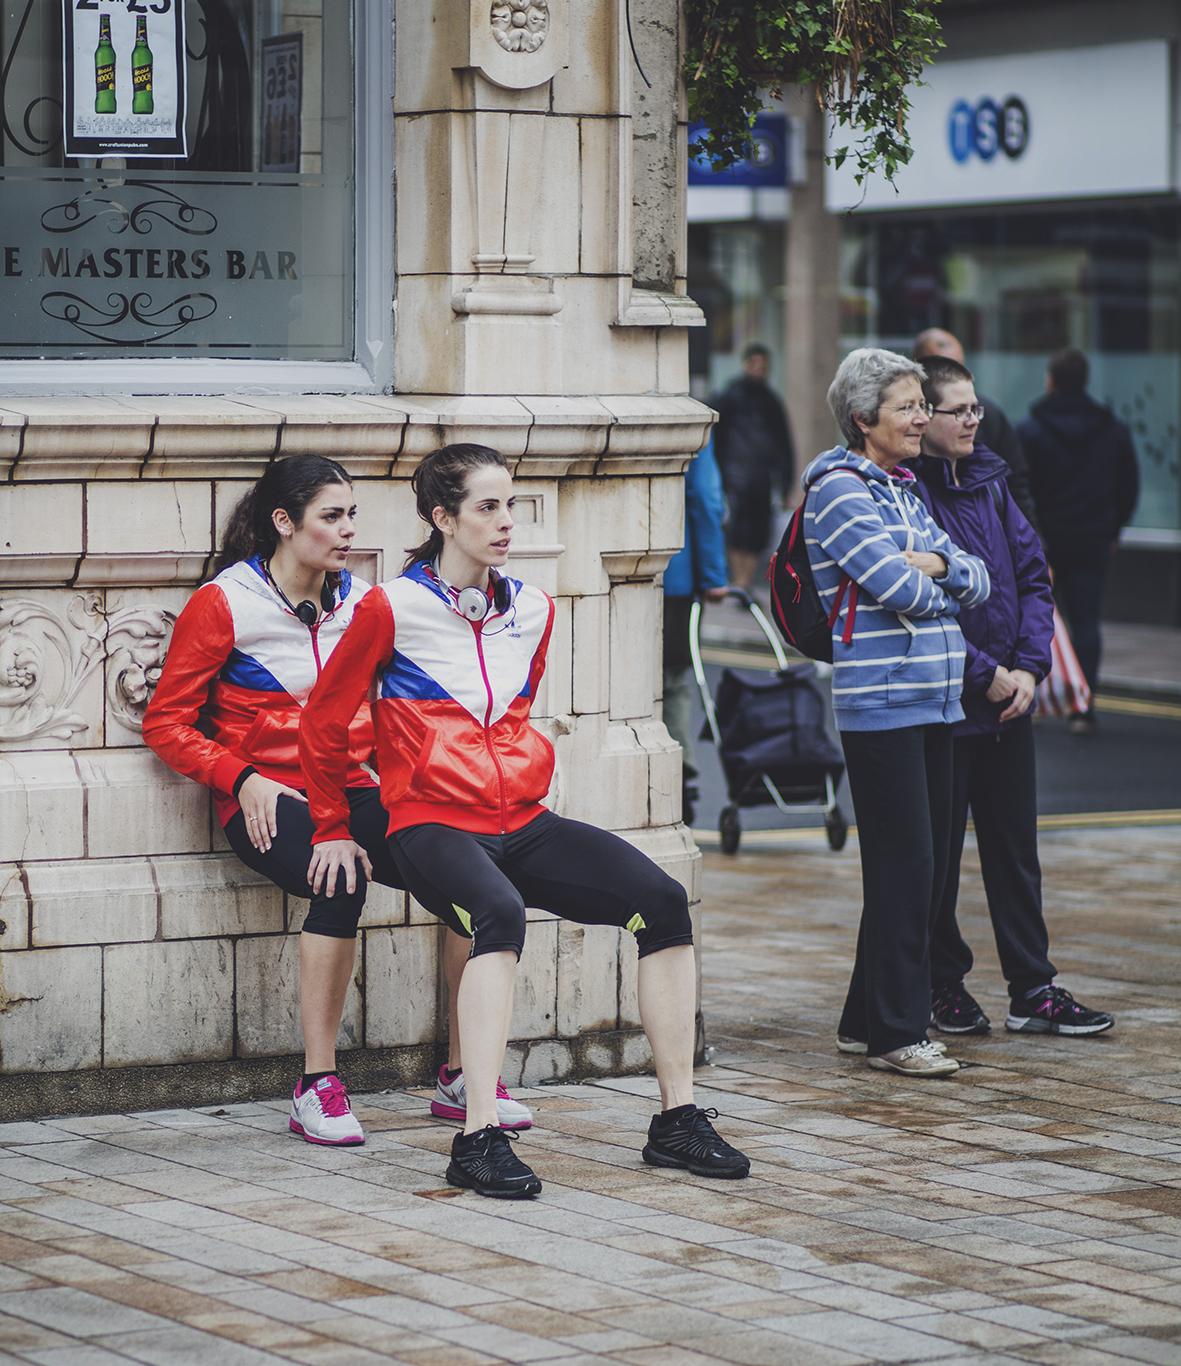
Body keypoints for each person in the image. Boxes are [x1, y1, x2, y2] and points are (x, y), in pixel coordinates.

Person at [298, 443, 751, 1198]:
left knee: (662, 904)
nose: (506, 521)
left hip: (523, 818)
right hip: (427, 823)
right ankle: (476, 1133)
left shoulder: (533, 610)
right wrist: (332, 825)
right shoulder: (389, 607)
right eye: (487, 506)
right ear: (441, 517)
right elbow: (323, 723)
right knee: (498, 914)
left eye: (511, 504)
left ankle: (677, 1120)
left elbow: (512, 714)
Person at [142, 455, 520, 1147]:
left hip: (354, 789)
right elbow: (165, 722)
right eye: (332, 517)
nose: (348, 531)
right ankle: (317, 1083)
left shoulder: (367, 601)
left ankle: (463, 1072)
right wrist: (238, 775)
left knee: (470, 877)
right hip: (268, 798)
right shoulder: (225, 602)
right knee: (338, 877)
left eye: (352, 515)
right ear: (284, 523)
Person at [912, 356, 1114, 1039]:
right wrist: (984, 673)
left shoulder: (992, 482)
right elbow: (920, 608)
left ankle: (1033, 989)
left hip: (1009, 702)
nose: (973, 418)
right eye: (957, 409)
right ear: (923, 417)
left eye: (975, 407)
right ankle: (942, 985)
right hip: (949, 705)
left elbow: (1031, 576)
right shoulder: (906, 491)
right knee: (936, 863)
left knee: (1014, 854)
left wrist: (1027, 670)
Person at [805, 349, 990, 1077]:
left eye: (923, 405)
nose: (923, 418)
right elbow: (897, 588)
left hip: (934, 698)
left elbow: (970, 573)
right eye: (908, 407)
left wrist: (937, 566)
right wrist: (932, 577)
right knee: (905, 867)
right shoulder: (839, 491)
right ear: (862, 420)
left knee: (926, 867)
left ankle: (864, 1021)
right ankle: (896, 1032)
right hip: (881, 700)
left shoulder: (904, 489)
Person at [1018, 347, 1139, 733]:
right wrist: (1114, 528)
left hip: (1045, 539)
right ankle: (1083, 709)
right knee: (1086, 620)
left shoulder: (1030, 430)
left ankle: (1031, 697)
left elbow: (1022, 488)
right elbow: (1129, 484)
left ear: (1050, 381)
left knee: (1036, 616)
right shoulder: (1113, 427)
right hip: (1092, 538)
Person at [913, 328, 1040, 532]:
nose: (972, 421)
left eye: (960, 366)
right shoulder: (904, 482)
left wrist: (1037, 553)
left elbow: (1017, 489)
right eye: (944, 369)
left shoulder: (991, 478)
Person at [664, 437, 728, 826]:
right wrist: (714, 575)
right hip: (679, 577)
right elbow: (705, 498)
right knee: (673, 679)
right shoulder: (696, 428)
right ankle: (680, 771)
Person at [710, 343, 796, 590]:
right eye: (754, 364)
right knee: (738, 531)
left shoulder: (772, 402)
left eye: (763, 365)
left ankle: (744, 584)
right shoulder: (729, 398)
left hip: (762, 480)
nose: (759, 370)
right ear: (745, 364)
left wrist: (786, 483)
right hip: (733, 478)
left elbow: (783, 444)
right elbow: (716, 439)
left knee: (758, 533)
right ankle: (740, 582)